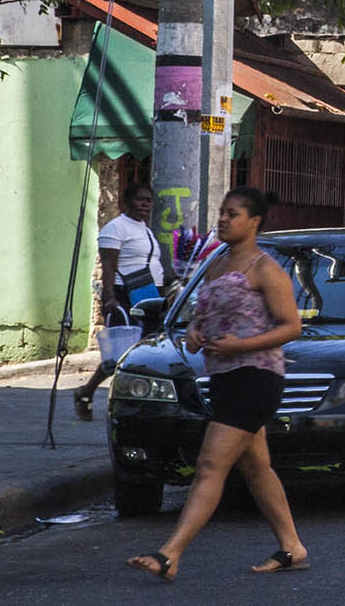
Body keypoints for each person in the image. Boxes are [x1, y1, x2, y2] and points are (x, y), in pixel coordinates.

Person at [127, 187, 308, 581]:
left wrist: (242, 344)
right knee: (257, 467)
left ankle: (169, 553)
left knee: (210, 465)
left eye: (233, 214)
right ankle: (292, 546)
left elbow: (291, 326)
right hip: (224, 378)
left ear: (254, 221)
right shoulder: (216, 263)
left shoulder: (265, 269)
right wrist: (194, 330)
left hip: (255, 378)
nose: (223, 219)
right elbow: (203, 316)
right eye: (222, 212)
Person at [77, 183, 167, 420]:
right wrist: (109, 298)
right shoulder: (116, 228)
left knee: (143, 351)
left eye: (148, 200)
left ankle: (125, 399)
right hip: (123, 297)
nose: (145, 204)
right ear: (126, 202)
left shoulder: (144, 229)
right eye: (140, 199)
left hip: (147, 296)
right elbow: (108, 265)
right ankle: (88, 392)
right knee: (119, 353)